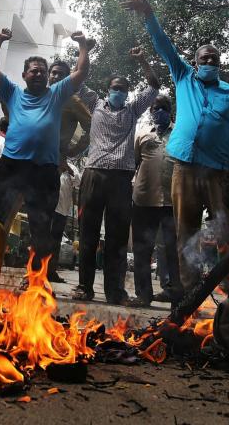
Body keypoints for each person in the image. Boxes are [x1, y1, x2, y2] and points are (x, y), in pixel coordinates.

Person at [122, 0, 229, 292]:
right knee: (185, 232)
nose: (209, 61)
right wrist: (149, 14)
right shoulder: (183, 77)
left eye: (214, 59)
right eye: (204, 58)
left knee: (226, 233)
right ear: (195, 62)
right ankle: (188, 294)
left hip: (217, 171)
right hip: (183, 168)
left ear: (219, 64)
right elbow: (164, 46)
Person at [0, 27, 90, 273]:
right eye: (34, 70)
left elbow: (81, 71)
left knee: (41, 229)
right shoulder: (12, 92)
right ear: (25, 75)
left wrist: (82, 44)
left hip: (44, 171)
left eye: (43, 70)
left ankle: (37, 281)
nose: (39, 73)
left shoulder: (57, 93)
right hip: (11, 166)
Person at [73, 47, 160, 304]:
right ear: (107, 88)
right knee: (87, 234)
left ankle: (115, 292)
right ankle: (84, 287)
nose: (118, 92)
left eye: (123, 88)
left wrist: (144, 60)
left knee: (118, 238)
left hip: (121, 179)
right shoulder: (95, 103)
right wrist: (83, 49)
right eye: (115, 87)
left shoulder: (133, 111)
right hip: (93, 176)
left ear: (127, 92)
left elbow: (154, 87)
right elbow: (78, 77)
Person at [131, 94, 183, 307]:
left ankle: (176, 295)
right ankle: (144, 295)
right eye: (156, 108)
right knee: (142, 249)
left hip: (172, 202)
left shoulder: (180, 134)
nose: (159, 111)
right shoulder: (142, 134)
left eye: (164, 107)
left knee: (173, 251)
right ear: (150, 111)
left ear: (170, 111)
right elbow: (134, 163)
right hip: (144, 200)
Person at [49, 159, 80, 283]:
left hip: (62, 212)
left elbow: (78, 182)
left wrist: (68, 168)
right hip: (49, 210)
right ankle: (37, 272)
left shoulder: (71, 167)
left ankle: (51, 272)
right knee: (43, 241)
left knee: (55, 243)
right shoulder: (51, 160)